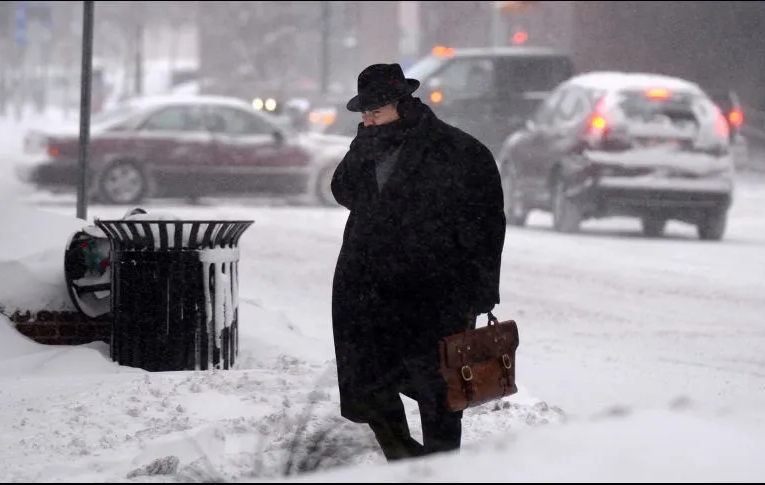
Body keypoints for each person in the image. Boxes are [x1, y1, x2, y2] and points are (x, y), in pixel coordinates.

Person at [330, 63, 506, 462]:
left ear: (401, 104)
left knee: (439, 393)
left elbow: (487, 224)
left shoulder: (459, 151)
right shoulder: (368, 146)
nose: (368, 119)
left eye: (376, 111)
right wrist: (361, 150)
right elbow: (343, 191)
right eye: (364, 113)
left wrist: (481, 290)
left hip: (434, 294)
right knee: (370, 387)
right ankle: (407, 464)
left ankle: (439, 469)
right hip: (368, 291)